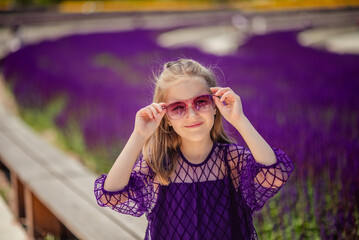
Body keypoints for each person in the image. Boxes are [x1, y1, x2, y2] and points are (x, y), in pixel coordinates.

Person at [94, 59, 294, 239]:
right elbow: (111, 195)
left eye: (201, 102)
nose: (192, 114)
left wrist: (239, 120)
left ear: (215, 105)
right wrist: (139, 135)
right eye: (178, 107)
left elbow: (275, 175)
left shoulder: (230, 159)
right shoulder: (159, 165)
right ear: (166, 117)